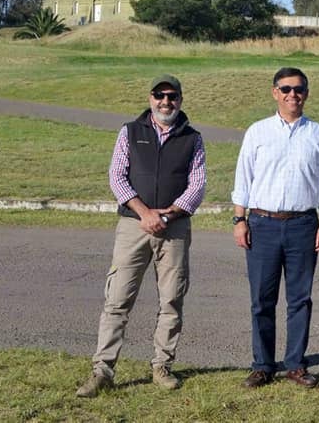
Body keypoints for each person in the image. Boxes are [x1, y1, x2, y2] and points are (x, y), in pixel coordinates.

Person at [76, 74, 206, 397]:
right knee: (117, 299)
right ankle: (103, 370)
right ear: (150, 98)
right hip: (134, 226)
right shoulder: (130, 132)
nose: (166, 102)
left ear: (180, 100)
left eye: (172, 96)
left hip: (174, 228)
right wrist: (145, 213)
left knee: (172, 300)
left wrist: (168, 214)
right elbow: (117, 176)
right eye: (160, 95)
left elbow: (197, 185)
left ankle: (162, 366)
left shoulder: (193, 138)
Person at [232, 67, 319, 389]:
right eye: (286, 89)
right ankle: (263, 365)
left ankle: (295, 364)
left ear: (306, 93)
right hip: (262, 224)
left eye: (299, 89)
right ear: (275, 92)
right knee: (262, 300)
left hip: (304, 225)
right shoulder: (257, 132)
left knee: (299, 299)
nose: (293, 95)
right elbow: (243, 179)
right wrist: (240, 220)